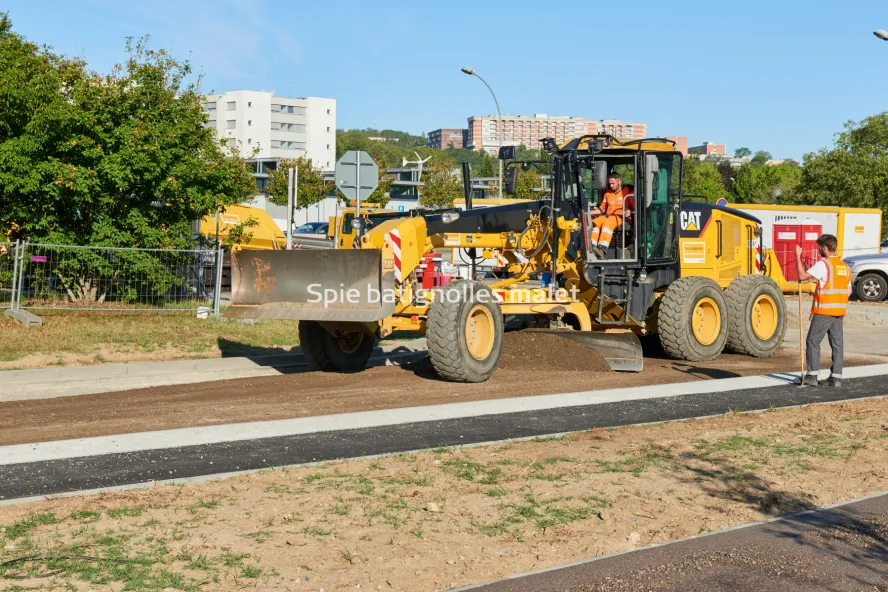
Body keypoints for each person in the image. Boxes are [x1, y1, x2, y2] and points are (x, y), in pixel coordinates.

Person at [795, 234, 851, 387]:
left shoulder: (824, 265)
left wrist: (797, 256)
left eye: (820, 247)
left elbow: (801, 275)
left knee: (813, 340)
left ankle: (812, 376)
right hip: (839, 311)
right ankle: (836, 377)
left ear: (825, 248)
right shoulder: (844, 267)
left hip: (824, 310)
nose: (819, 250)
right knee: (837, 343)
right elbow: (849, 291)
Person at [588, 172, 634, 259]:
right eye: (610, 184)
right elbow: (601, 209)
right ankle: (592, 246)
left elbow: (634, 207)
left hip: (619, 217)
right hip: (606, 215)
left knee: (607, 223)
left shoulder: (627, 192)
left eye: (613, 183)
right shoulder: (607, 194)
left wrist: (630, 212)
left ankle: (602, 249)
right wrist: (587, 212)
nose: (611, 186)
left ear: (619, 181)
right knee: (593, 223)